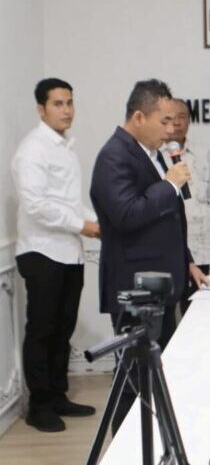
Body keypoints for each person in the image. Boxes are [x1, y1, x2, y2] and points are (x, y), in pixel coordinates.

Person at [90, 79, 210, 431]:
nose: (171, 129)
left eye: (174, 121)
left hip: (160, 284)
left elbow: (167, 218)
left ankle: (157, 441)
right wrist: (169, 184)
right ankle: (125, 449)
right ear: (139, 117)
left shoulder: (151, 153)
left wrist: (187, 260)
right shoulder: (114, 156)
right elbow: (126, 215)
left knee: (157, 374)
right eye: (164, 121)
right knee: (133, 379)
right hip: (134, 288)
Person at [11, 78, 100, 432]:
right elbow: (36, 206)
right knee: (42, 330)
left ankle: (58, 395)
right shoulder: (32, 150)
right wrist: (83, 225)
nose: (67, 110)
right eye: (58, 104)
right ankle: (40, 406)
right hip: (42, 251)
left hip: (69, 252)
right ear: (41, 109)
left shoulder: (65, 148)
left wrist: (97, 222)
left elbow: (69, 202)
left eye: (69, 102)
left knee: (63, 328)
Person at [162, 98, 210, 313]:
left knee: (197, 311)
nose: (176, 123)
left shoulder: (203, 153)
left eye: (182, 117)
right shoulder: (156, 155)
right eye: (170, 118)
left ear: (189, 121)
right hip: (171, 245)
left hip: (200, 246)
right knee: (167, 310)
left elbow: (208, 195)